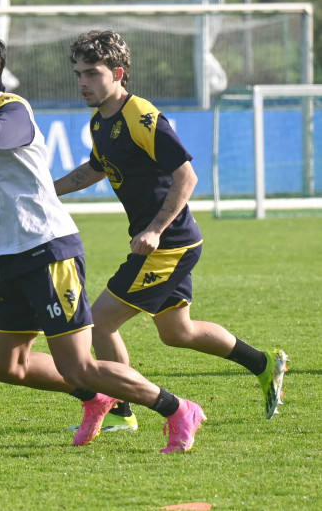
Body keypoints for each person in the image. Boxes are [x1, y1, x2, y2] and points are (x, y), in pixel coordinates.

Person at [0, 20, 206, 452]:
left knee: (80, 365)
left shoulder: (10, 109)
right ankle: (96, 400)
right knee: (6, 366)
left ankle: (178, 409)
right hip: (9, 257)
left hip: (49, 252)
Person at [54, 30, 287, 431]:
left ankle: (122, 411)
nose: (83, 82)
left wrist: (156, 230)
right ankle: (263, 364)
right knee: (178, 332)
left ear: (119, 73)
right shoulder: (99, 121)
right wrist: (46, 191)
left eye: (92, 73)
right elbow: (93, 170)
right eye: (79, 73)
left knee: (100, 321)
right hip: (168, 243)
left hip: (168, 244)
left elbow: (187, 176)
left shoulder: (141, 115)